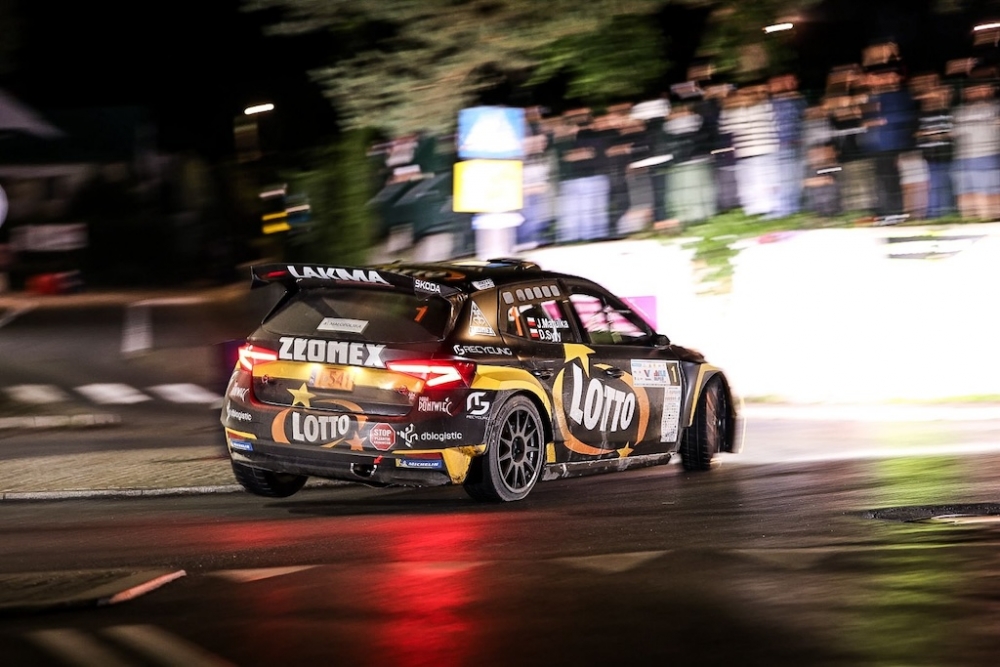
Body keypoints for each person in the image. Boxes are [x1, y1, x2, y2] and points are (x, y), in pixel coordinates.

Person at [719, 81, 780, 217]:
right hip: (748, 151)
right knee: (752, 182)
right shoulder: (732, 110)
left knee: (765, 181)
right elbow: (726, 127)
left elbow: (773, 122)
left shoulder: (764, 105)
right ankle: (757, 210)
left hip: (763, 148)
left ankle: (768, 208)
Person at [951, 77, 1000, 221]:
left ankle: (991, 224)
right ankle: (969, 225)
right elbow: (954, 132)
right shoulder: (959, 111)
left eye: (984, 89)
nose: (979, 92)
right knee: (965, 195)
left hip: (988, 156)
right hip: (962, 159)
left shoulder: (995, 108)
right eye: (973, 90)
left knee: (990, 195)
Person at [769, 73, 808, 217]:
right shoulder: (773, 101)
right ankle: (785, 209)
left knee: (795, 177)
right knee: (785, 177)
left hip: (796, 142)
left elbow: (803, 112)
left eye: (793, 81)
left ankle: (792, 207)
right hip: (782, 144)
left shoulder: (798, 99)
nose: (792, 83)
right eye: (788, 81)